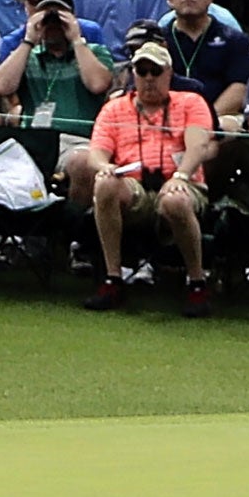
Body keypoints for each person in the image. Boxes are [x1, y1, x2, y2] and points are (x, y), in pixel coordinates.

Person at [83, 35, 215, 312]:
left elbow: (198, 145)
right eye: (141, 71)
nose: (149, 78)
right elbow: (97, 150)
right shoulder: (114, 108)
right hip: (135, 186)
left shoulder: (191, 101)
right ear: (133, 74)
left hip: (181, 181)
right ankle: (113, 278)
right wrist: (103, 167)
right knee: (104, 184)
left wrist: (180, 176)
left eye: (155, 71)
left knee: (175, 200)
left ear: (169, 74)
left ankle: (197, 282)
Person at [0, 0, 113, 197]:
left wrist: (76, 38)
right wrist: (29, 39)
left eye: (59, 15)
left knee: (82, 162)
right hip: (35, 139)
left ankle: (71, 222)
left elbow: (98, 84)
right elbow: (2, 86)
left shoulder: (93, 52)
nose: (53, 22)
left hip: (78, 140)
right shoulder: (27, 56)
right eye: (47, 15)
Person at [159, 0, 249, 118]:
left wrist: (205, 120)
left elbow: (240, 86)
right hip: (166, 116)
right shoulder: (159, 39)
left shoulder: (234, 40)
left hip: (219, 118)